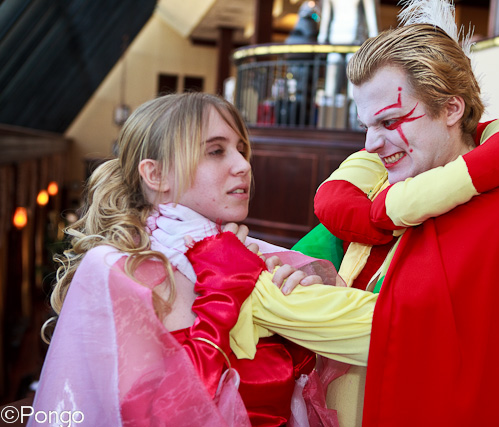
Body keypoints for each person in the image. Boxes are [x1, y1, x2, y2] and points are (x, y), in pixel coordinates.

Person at [30, 92, 379, 427]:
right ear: (156, 175)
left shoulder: (249, 256)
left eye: (241, 149)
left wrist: (293, 326)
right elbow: (158, 416)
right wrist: (224, 291)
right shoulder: (120, 270)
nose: (243, 165)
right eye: (216, 151)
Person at [295, 1, 499, 425]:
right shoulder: (379, 188)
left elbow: (413, 341)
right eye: (366, 126)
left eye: (389, 121)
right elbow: (301, 261)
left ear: (451, 109)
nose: (371, 145)